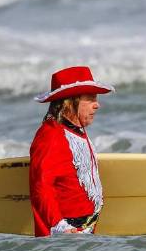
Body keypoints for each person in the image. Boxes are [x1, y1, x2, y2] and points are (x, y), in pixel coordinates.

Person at [29, 65, 114, 237]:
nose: (97, 104)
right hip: (66, 236)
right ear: (70, 102)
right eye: (90, 98)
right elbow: (41, 185)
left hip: (86, 232)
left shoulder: (75, 131)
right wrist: (59, 226)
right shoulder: (51, 135)